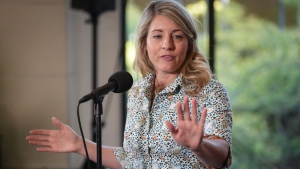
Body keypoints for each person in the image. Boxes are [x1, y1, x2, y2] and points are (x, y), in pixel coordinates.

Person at [26, 0, 232, 168]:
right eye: (158, 36)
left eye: (177, 36)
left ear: (189, 43)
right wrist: (79, 145)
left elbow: (221, 156)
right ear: (144, 43)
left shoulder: (210, 91)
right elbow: (131, 160)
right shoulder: (138, 92)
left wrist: (199, 147)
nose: (167, 45)